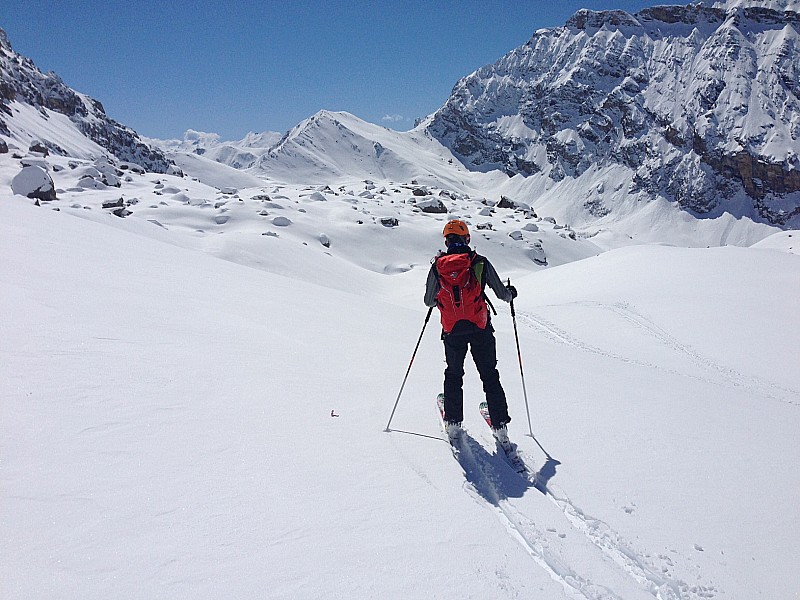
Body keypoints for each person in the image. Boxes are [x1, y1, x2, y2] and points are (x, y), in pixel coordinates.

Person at [425, 219, 517, 442]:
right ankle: (500, 427)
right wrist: (511, 293)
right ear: (467, 239)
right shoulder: (480, 262)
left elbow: (428, 301)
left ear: (447, 241)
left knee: (454, 373)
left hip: (452, 330)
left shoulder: (437, 266)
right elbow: (502, 294)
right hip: (480, 327)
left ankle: (453, 423)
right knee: (490, 375)